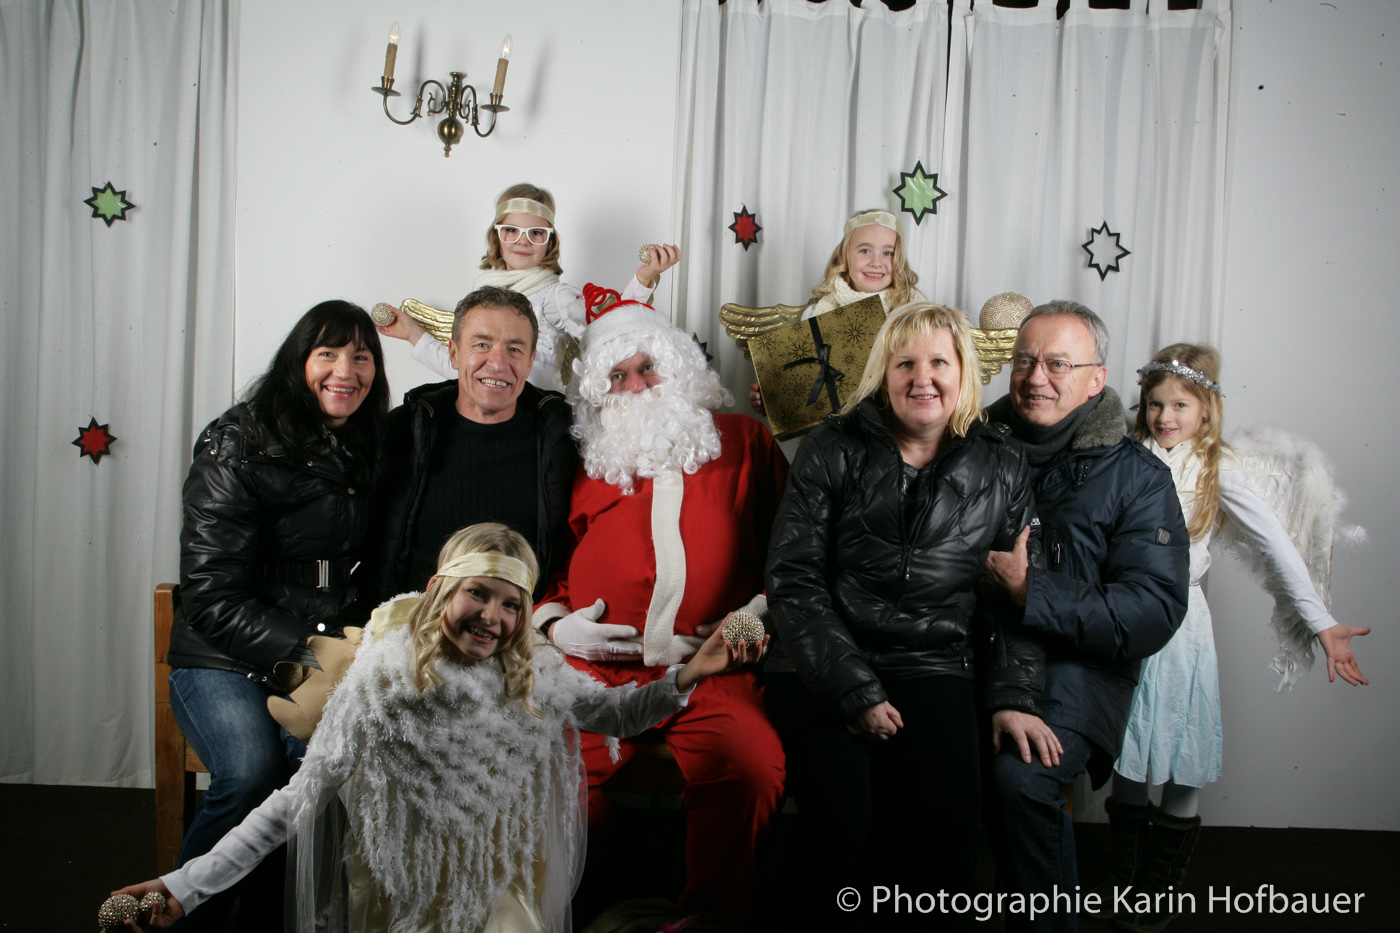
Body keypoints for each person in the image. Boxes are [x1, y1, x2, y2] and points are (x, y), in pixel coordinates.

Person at [112, 523, 767, 933]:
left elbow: (618, 714)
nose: (492, 617)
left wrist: (692, 672)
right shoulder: (382, 683)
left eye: (511, 604)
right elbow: (297, 799)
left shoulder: (534, 672)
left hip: (501, 887)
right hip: (402, 891)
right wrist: (183, 886)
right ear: (437, 591)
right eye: (477, 593)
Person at [764, 303, 1054, 931]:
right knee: (842, 826)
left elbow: (1014, 601)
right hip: (822, 661)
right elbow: (793, 579)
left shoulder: (1002, 464)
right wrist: (854, 691)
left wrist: (1014, 696)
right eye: (906, 364)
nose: (924, 378)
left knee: (944, 835)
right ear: (883, 374)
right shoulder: (831, 446)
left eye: (939, 362)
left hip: (934, 661)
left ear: (963, 373)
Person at [1091, 344, 1370, 933]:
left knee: (1181, 750)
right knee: (1129, 746)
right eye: (1155, 404)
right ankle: (1124, 879)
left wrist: (1321, 623)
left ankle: (1158, 888)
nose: (1165, 416)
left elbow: (1277, 546)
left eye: (1180, 405)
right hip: (1122, 618)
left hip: (1179, 624)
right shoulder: (1123, 456)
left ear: (1206, 409)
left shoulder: (1219, 469)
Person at [531, 289, 789, 920]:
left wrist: (755, 616)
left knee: (750, 768)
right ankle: (599, 908)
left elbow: (794, 557)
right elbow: (554, 564)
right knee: (543, 773)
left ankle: (708, 919)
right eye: (617, 377)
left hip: (710, 666)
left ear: (678, 367)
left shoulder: (745, 441)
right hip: (596, 673)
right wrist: (558, 627)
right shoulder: (588, 461)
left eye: (647, 367)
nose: (638, 386)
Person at [166, 301, 391, 931]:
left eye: (361, 356)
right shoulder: (236, 441)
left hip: (313, 647)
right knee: (249, 772)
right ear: (298, 362)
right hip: (221, 654)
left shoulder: (368, 441)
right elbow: (209, 594)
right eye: (328, 354)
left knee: (317, 772)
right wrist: (313, 652)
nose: (346, 371)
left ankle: (268, 918)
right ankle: (181, 914)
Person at [979, 300, 1190, 933]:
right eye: (1024, 361)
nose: (1035, 377)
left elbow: (1152, 610)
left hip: (1080, 670)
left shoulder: (1139, 478)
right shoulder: (971, 446)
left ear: (1096, 379)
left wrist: (1031, 592)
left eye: (1057, 364)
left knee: (1023, 779)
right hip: (974, 651)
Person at [366, 285, 576, 603]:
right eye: (481, 344)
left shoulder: (563, 438)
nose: (498, 363)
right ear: (453, 353)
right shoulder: (402, 430)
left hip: (521, 627)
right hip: (409, 622)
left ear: (531, 360)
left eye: (514, 349)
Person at [376, 182, 680, 392]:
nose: (523, 241)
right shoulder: (480, 299)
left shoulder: (554, 296)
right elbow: (462, 370)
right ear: (496, 236)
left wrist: (644, 279)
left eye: (536, 233)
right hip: (489, 419)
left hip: (538, 422)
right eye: (511, 230)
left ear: (550, 241)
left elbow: (612, 330)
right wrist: (411, 333)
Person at [749, 207, 922, 413]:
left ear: (899, 259)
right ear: (845, 256)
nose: (877, 262)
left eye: (888, 253)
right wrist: (773, 400)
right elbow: (801, 381)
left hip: (891, 421)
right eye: (865, 251)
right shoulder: (815, 313)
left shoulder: (914, 314)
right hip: (833, 425)